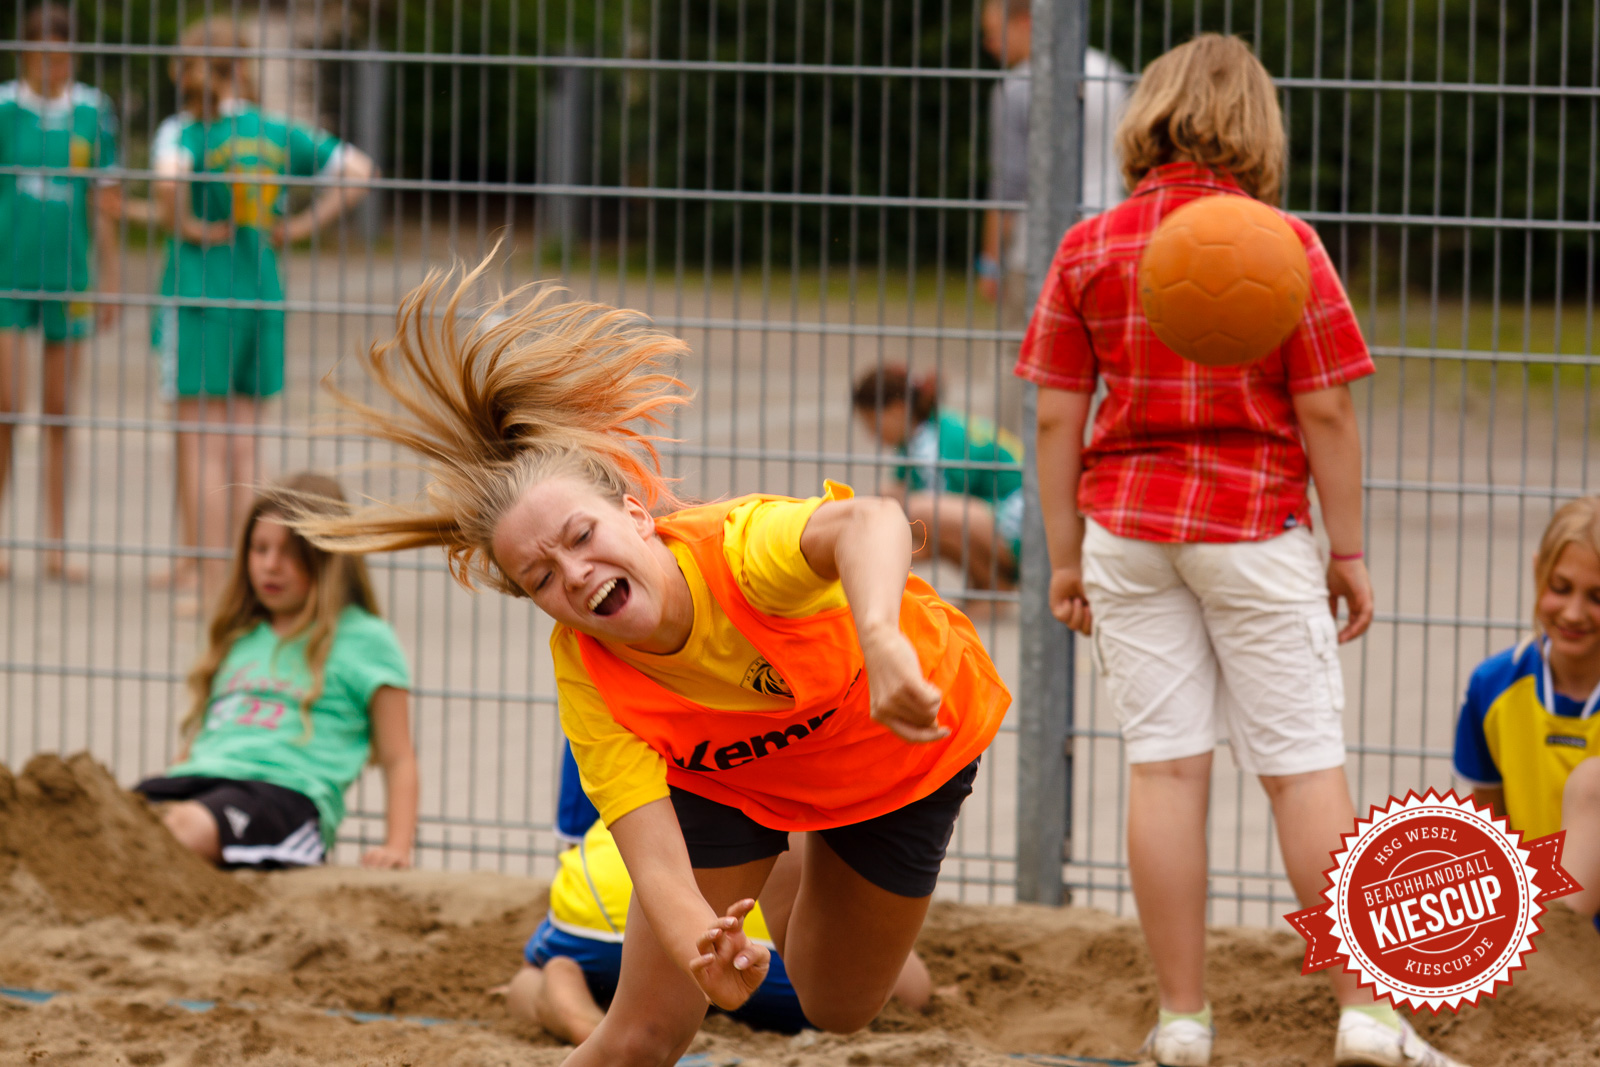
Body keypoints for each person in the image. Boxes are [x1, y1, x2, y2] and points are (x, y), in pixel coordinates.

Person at [290, 257, 1009, 1067]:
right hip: (736, 773)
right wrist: (703, 942)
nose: (574, 573)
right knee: (642, 1033)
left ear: (637, 514)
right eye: (541, 576)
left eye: (582, 535)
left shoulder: (735, 549)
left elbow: (871, 520)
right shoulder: (588, 678)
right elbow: (657, 865)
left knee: (836, 1003)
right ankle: (787, 832)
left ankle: (805, 841)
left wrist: (880, 637)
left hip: (905, 732)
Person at [1017, 35, 1467, 1067]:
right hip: (1254, 525)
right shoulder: (1285, 244)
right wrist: (1346, 548)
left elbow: (1051, 417)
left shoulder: (1088, 245)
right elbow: (1328, 406)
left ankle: (1180, 1019)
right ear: (1257, 127)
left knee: (1164, 772)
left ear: (1147, 118)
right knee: (1302, 771)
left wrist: (1064, 553)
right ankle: (1365, 1010)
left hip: (1127, 531)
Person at [148, 16, 374, 606]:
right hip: (260, 291)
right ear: (243, 66)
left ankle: (204, 577)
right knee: (244, 444)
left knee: (198, 442)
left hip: (199, 295)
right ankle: (239, 575)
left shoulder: (185, 132)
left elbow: (168, 187)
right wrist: (300, 225)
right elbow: (358, 170)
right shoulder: (273, 132)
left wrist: (190, 227)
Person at [498, 746, 932, 1044]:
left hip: (606, 919)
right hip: (766, 951)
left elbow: (576, 839)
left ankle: (571, 1002)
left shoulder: (596, 684)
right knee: (902, 986)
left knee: (529, 975)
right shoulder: (805, 674)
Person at [135, 472, 416, 870]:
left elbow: (399, 758)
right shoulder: (238, 635)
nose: (270, 565)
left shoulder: (367, 640)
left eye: (289, 551)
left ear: (326, 553)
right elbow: (203, 736)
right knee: (106, 819)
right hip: (201, 781)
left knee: (181, 828)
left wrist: (397, 847)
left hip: (284, 796)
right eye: (259, 549)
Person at [0, 3, 121, 582]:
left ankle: (56, 544)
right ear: (26, 54)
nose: (52, 65)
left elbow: (106, 200)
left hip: (71, 276)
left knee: (59, 412)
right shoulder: (3, 107)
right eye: (41, 55)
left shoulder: (94, 112)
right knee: (6, 407)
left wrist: (111, 280)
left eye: (62, 55)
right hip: (7, 276)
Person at [977, 0, 1125, 432]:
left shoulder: (1018, 87)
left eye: (992, 32)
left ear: (1026, 22)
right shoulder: (1108, 70)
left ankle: (1010, 465)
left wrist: (990, 260)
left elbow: (1009, 186)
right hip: (1108, 240)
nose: (989, 45)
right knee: (1101, 354)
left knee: (1017, 354)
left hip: (1039, 250)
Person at [1453, 496, 1600, 929]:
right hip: (1526, 922)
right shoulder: (1493, 686)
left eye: (1597, 596)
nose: (1573, 612)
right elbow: (1487, 835)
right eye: (1560, 587)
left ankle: (1560, 946)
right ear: (1538, 574)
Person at [851, 364, 1024, 592]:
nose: (872, 434)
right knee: (895, 503)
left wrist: (868, 559)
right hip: (1007, 519)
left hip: (1021, 530)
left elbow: (935, 527)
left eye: (872, 423)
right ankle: (987, 588)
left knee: (907, 509)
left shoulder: (930, 446)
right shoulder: (925, 434)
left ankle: (993, 588)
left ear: (897, 410)